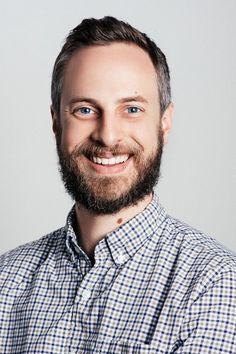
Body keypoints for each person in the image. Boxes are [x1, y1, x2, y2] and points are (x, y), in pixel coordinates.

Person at [0, 16, 235, 354]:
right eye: (84, 110)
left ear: (164, 124)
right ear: (56, 123)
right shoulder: (6, 281)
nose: (108, 135)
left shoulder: (215, 285)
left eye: (132, 109)